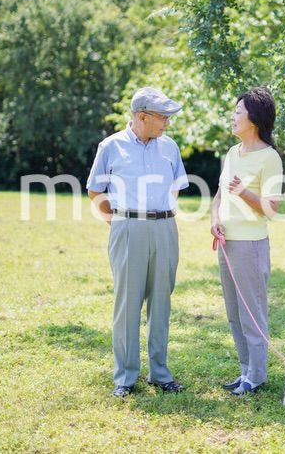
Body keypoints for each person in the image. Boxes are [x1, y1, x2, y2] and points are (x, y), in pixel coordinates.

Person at [86, 87, 189, 397]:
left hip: (164, 228)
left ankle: (160, 374)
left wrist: (162, 216)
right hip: (127, 228)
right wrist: (120, 222)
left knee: (161, 301)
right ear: (142, 116)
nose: (167, 123)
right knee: (128, 304)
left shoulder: (169, 147)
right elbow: (95, 191)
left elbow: (175, 189)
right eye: (163, 118)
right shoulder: (111, 146)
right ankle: (126, 378)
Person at [210, 87, 283, 396]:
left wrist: (244, 192)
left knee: (251, 311)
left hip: (250, 246)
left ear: (254, 119)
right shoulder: (232, 152)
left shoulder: (270, 158)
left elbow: (272, 208)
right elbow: (219, 194)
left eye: (238, 112)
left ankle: (257, 376)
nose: (233, 116)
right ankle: (245, 372)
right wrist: (214, 220)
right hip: (227, 243)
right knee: (234, 312)